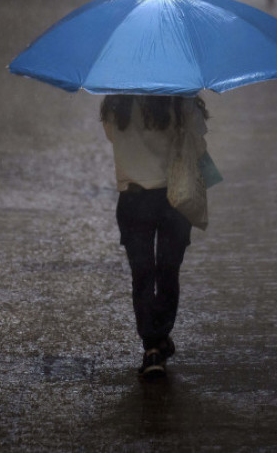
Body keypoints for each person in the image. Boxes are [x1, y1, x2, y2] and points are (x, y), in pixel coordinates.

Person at [101, 94, 209, 378]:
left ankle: (152, 345)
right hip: (175, 198)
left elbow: (114, 137)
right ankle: (159, 336)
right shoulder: (180, 100)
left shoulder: (116, 104)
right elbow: (198, 146)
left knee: (143, 274)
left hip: (134, 200)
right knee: (167, 271)